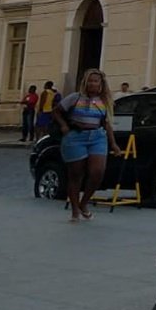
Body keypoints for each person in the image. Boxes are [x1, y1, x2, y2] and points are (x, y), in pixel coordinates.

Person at [55, 69, 123, 222]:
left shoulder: (104, 101)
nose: (92, 83)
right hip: (75, 137)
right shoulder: (75, 98)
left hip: (97, 137)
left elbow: (107, 123)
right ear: (85, 82)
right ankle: (74, 211)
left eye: (96, 81)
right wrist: (63, 126)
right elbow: (57, 111)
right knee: (76, 174)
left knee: (97, 171)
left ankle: (83, 202)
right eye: (90, 80)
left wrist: (113, 144)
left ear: (101, 84)